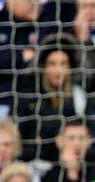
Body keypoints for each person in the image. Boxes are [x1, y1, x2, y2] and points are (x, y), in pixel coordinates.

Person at [16, 33, 86, 162]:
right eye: (52, 63)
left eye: (63, 64)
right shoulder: (29, 97)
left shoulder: (78, 97)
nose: (58, 70)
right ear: (44, 66)